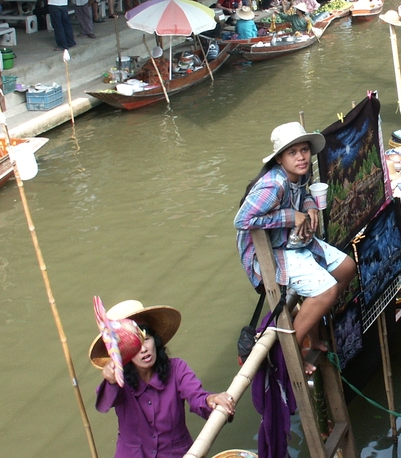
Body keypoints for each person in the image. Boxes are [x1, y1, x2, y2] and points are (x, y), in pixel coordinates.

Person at [234, 123, 356, 374]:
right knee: (326, 291)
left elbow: (304, 196)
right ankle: (293, 346)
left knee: (346, 268)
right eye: (293, 153)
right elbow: (242, 221)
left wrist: (310, 205)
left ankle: (314, 330)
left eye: (304, 150)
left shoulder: (301, 174)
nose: (301, 157)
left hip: (292, 241)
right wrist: (290, 217)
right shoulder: (274, 184)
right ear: (280, 158)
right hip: (268, 253)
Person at [90, 300, 235, 458]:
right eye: (135, 345)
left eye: (146, 339)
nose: (143, 349)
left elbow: (197, 397)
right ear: (124, 353)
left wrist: (212, 399)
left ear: (155, 340)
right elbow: (103, 404)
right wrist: (111, 380)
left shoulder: (177, 369)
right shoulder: (120, 380)